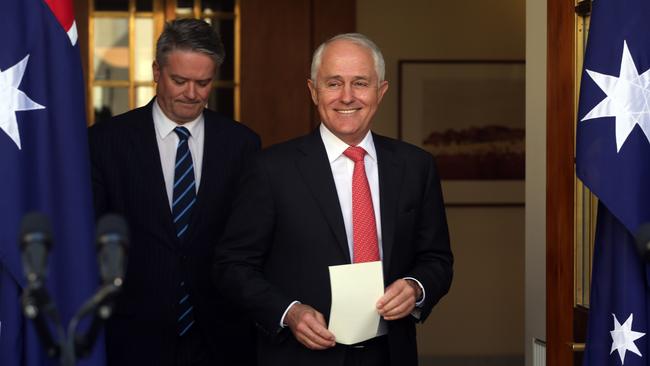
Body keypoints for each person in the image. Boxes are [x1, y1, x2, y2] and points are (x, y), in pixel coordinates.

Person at [213, 33, 453, 366]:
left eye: (360, 83)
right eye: (333, 83)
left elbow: (437, 259)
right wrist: (288, 312)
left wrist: (416, 287)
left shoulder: (416, 166)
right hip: (299, 357)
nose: (347, 97)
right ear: (313, 90)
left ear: (381, 91)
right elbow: (232, 266)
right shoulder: (270, 169)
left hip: (390, 354)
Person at [89, 18, 260, 366]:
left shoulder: (242, 144)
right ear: (156, 71)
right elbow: (91, 235)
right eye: (179, 80)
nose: (192, 93)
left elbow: (250, 240)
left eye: (203, 82)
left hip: (219, 336)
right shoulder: (106, 142)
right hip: (131, 336)